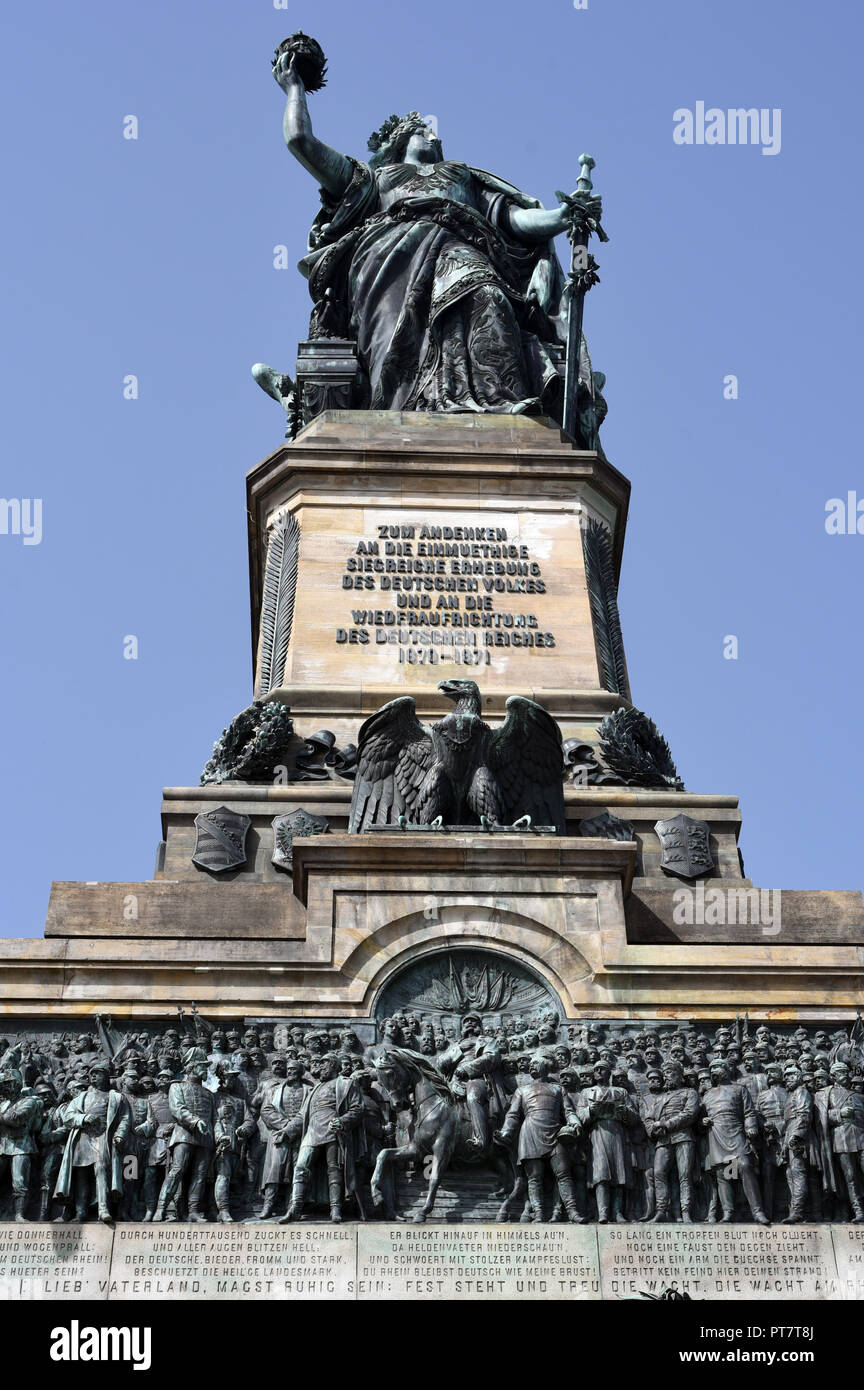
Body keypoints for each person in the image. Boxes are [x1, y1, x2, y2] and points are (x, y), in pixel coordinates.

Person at [274, 49, 603, 431]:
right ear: (400, 141)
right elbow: (300, 141)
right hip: (388, 262)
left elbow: (513, 219)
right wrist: (293, 88)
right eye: (423, 130)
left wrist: (561, 217)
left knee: (490, 296)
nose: (434, 134)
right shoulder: (374, 181)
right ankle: (398, 414)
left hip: (463, 249)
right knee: (390, 347)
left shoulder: (462, 176)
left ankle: (499, 407)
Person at [279, 1053, 362, 1224]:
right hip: (312, 1132)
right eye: (321, 1065)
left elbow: (357, 1109)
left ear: (334, 1066)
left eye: (325, 1065)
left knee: (334, 1169)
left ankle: (336, 1208)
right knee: (301, 1166)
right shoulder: (315, 1088)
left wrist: (342, 1121)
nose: (321, 1068)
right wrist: (287, 1130)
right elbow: (303, 1115)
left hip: (333, 1131)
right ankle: (295, 1208)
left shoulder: (346, 1083)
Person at [54, 1060, 130, 1224]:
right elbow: (68, 1117)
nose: (94, 1076)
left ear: (106, 1076)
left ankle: (103, 1209)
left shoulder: (116, 1097)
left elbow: (125, 1118)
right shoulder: (81, 1097)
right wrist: (84, 1118)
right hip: (82, 1138)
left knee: (101, 1169)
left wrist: (120, 1135)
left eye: (98, 1073)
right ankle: (80, 1212)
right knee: (81, 1174)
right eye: (92, 1074)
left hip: (103, 1137)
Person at [701, 1058, 769, 1225]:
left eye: (717, 1066)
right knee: (724, 1174)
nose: (714, 1070)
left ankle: (758, 1211)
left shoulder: (739, 1089)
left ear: (726, 1069)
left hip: (735, 1130)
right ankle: (728, 1212)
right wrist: (703, 1122)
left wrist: (751, 1126)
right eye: (712, 1068)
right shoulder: (708, 1094)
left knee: (745, 1166)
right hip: (717, 1134)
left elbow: (749, 1112)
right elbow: (700, 1117)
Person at [155, 1047, 217, 1223]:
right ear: (193, 1066)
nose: (206, 1070)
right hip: (184, 1135)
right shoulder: (176, 1087)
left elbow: (214, 1118)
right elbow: (177, 1109)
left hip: (205, 1139)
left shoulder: (209, 1095)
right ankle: (161, 1208)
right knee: (177, 1170)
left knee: (200, 1174)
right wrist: (195, 1121)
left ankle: (194, 1211)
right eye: (203, 1066)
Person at [258, 1058, 310, 1220]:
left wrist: (292, 1128)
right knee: (275, 1170)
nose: (290, 1072)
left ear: (301, 1072)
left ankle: (292, 1206)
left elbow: (308, 1113)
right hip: (279, 1134)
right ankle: (268, 1204)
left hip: (301, 1135)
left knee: (297, 1170)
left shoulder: (309, 1090)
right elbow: (266, 1111)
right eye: (288, 1069)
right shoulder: (275, 1090)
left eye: (294, 1069)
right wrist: (285, 1125)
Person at [0, 1067, 42, 1222]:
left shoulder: (29, 1101)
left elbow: (16, 1119)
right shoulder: (3, 1104)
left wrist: (4, 1119)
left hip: (21, 1147)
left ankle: (19, 1214)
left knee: (20, 1182)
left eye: (9, 1084)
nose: (6, 1087)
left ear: (17, 1084)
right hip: (2, 1146)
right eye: (4, 1084)